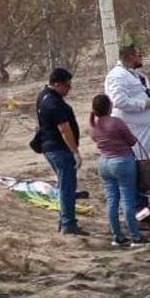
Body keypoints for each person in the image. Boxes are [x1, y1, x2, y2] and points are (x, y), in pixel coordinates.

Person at [105, 45, 150, 217]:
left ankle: (143, 204)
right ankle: (135, 208)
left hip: (142, 132)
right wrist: (144, 104)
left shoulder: (133, 74)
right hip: (130, 130)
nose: (141, 58)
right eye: (139, 55)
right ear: (129, 56)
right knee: (133, 169)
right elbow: (119, 101)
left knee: (143, 168)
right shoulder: (117, 75)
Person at [87, 93, 144, 246]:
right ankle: (135, 236)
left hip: (104, 163)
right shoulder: (116, 122)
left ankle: (117, 236)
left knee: (112, 201)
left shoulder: (93, 125)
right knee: (127, 200)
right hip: (122, 161)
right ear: (109, 107)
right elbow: (132, 141)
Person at [36, 68, 85, 236]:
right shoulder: (54, 103)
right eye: (66, 85)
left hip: (50, 147)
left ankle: (64, 220)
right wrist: (75, 152)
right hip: (59, 148)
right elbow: (65, 130)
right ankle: (68, 224)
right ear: (57, 83)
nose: (68, 89)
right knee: (67, 188)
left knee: (64, 185)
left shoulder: (43, 95)